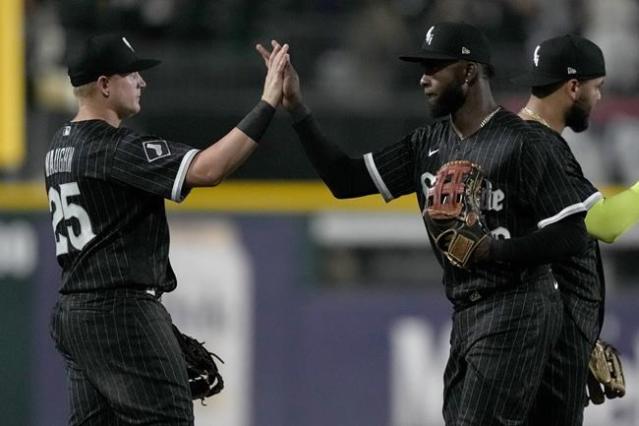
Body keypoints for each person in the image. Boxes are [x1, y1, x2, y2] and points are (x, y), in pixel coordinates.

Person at [257, 23, 597, 425]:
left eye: (435, 68)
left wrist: (497, 251)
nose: (423, 78)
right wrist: (297, 108)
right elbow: (344, 180)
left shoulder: (524, 142)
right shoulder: (426, 144)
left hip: (518, 304)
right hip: (467, 312)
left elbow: (573, 233)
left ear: (469, 72)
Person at [45, 33, 289, 425]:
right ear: (105, 85)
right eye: (132, 73)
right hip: (119, 310)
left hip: (75, 312)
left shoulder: (58, 145)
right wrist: (267, 103)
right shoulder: (113, 148)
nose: (142, 81)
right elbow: (209, 170)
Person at [513, 34, 634, 425]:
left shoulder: (521, 139)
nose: (599, 99)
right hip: (538, 350)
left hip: (539, 338)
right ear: (573, 87)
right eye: (596, 88)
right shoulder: (537, 145)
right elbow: (605, 223)